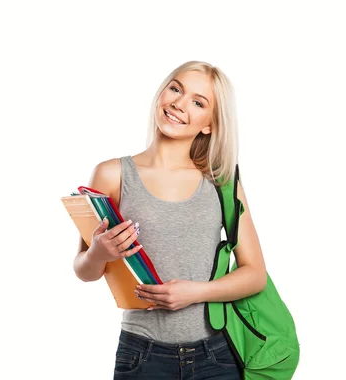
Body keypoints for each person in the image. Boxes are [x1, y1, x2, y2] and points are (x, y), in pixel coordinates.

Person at [73, 60, 268, 379]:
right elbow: (84, 270)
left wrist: (194, 292)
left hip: (216, 356)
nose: (179, 103)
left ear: (209, 124)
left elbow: (254, 274)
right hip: (142, 355)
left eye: (198, 102)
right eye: (176, 88)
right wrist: (98, 253)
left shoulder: (220, 181)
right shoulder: (112, 174)